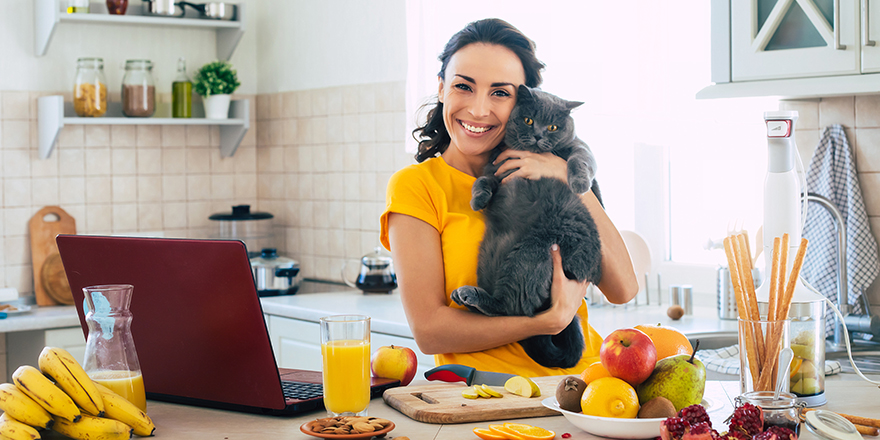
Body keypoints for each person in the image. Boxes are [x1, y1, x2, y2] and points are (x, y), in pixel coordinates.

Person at [379, 18, 638, 377]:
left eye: (500, 93)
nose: (478, 109)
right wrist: (547, 322)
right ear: (441, 88)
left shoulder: (558, 165)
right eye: (463, 87)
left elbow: (624, 288)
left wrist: (565, 175)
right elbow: (430, 331)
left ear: (523, 104)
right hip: (487, 401)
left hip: (587, 392)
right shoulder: (418, 186)